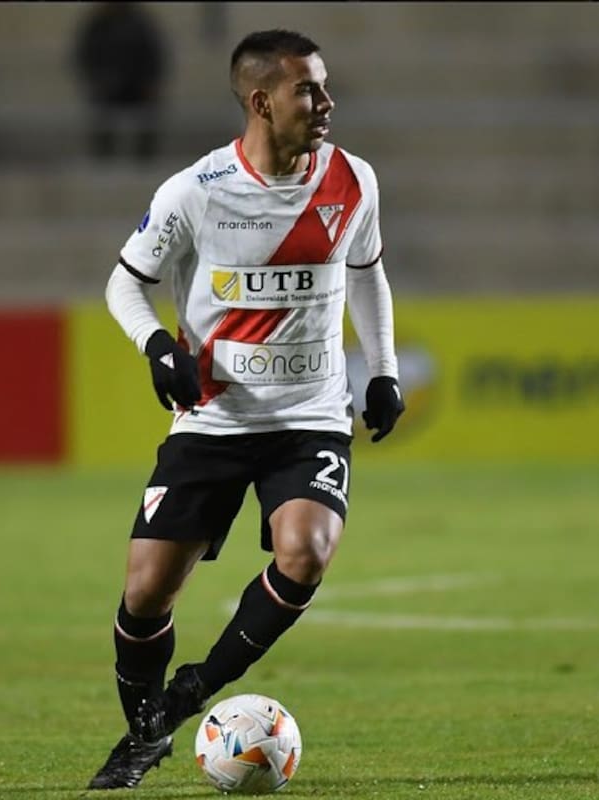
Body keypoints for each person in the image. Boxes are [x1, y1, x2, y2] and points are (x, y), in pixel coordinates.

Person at [87, 29, 405, 790]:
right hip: (215, 417)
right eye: (308, 90)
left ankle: (197, 688)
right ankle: (143, 733)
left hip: (311, 415)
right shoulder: (195, 191)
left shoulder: (352, 180)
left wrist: (383, 372)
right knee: (145, 592)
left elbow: (367, 273)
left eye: (324, 88)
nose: (326, 103)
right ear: (262, 101)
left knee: (307, 551)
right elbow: (123, 284)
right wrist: (158, 347)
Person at [72, 2, 169, 161]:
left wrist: (150, 83)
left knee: (147, 118)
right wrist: (97, 80)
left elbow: (154, 55)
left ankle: (144, 159)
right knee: (102, 121)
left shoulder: (140, 23)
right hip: (107, 86)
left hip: (137, 86)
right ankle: (104, 158)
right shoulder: (98, 25)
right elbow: (85, 56)